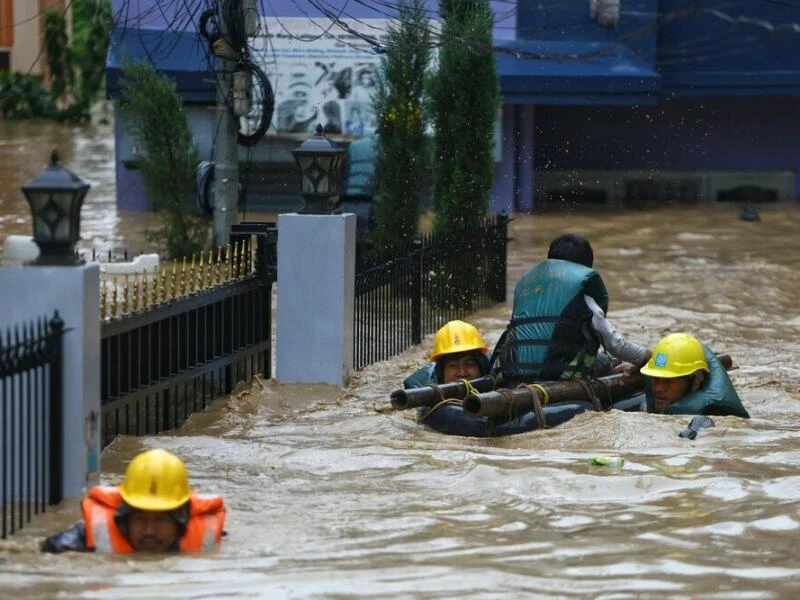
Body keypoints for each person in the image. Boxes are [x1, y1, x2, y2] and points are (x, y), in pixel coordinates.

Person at [492, 233, 651, 385]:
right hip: (557, 377)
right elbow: (616, 344)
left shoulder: (528, 293)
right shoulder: (584, 300)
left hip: (510, 373)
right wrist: (648, 357)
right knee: (602, 360)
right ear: (585, 269)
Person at [41, 448, 226, 554]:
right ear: (124, 516)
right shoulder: (76, 541)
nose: (149, 531)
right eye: (140, 519)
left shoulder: (208, 535)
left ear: (180, 520)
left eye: (161, 520)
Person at [640, 332, 750, 418]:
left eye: (668, 381)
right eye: (655, 379)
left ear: (695, 382)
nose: (658, 388)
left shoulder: (712, 416)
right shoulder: (647, 405)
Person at [403, 320, 490, 388]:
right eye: (452, 365)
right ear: (441, 372)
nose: (462, 373)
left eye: (469, 364)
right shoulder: (426, 391)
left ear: (481, 366)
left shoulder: (495, 378)